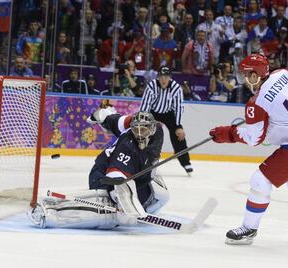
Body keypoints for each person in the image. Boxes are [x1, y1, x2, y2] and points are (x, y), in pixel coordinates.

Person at [209, 54, 288, 245]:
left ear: (256, 75)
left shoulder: (256, 103)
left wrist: (226, 133)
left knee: (260, 180)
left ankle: (249, 229)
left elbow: (254, 138)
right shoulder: (283, 73)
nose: (243, 79)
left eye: (246, 74)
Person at [29, 109, 169, 229]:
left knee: (161, 195)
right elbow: (117, 179)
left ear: (152, 128)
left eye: (143, 129)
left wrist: (101, 115)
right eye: (135, 129)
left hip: (136, 175)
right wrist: (125, 205)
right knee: (115, 216)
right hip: (103, 176)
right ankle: (50, 210)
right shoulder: (127, 147)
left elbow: (117, 120)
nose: (139, 133)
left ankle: (143, 210)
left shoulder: (157, 131)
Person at [140, 66, 193, 174]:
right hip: (153, 112)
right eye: (161, 76)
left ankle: (186, 162)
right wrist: (144, 122)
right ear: (158, 77)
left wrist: (178, 126)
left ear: (170, 77)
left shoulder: (176, 88)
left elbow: (178, 107)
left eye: (166, 76)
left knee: (179, 136)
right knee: (145, 135)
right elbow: (145, 105)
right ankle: (143, 161)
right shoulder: (151, 86)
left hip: (169, 114)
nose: (164, 79)